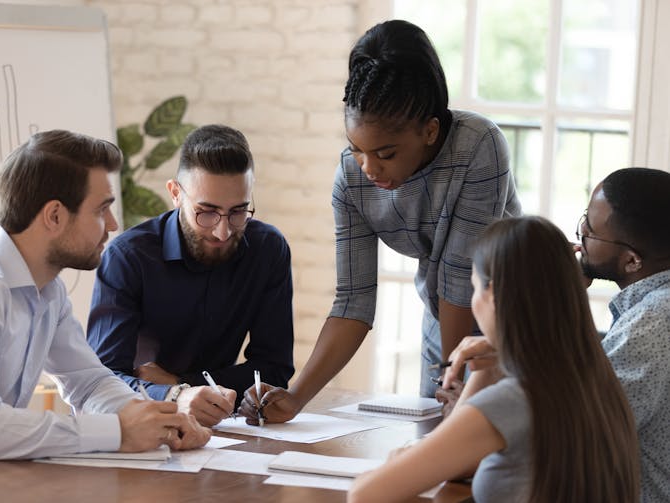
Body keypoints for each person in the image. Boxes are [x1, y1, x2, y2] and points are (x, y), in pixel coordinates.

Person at [239, 19, 520, 423]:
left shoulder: (478, 145)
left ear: (429, 130)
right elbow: (353, 300)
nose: (369, 167)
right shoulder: (351, 178)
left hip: (511, 324)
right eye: (357, 149)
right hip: (443, 325)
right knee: (438, 456)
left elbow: (460, 282)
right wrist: (296, 397)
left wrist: (451, 382)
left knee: (486, 461)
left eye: (386, 154)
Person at [0, 130, 211, 461]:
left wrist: (159, 422)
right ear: (54, 216)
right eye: (102, 210)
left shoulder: (48, 290)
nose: (113, 225)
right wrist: (117, 431)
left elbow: (88, 383)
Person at [348, 216, 639, 503]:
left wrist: (403, 457)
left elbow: (366, 494)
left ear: (495, 294)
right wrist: (487, 367)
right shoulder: (596, 382)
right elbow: (459, 461)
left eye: (475, 288)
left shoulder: (515, 399)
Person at [87, 124, 294, 427]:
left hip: (225, 430)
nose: (222, 231)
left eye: (238, 212)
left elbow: (274, 369)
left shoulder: (268, 249)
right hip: (140, 428)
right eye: (206, 212)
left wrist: (180, 384)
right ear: (175, 194)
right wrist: (174, 396)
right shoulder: (129, 257)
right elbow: (102, 380)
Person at [577, 167, 670, 503]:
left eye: (591, 231)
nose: (580, 237)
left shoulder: (652, 322)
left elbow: (578, 434)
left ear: (632, 260)